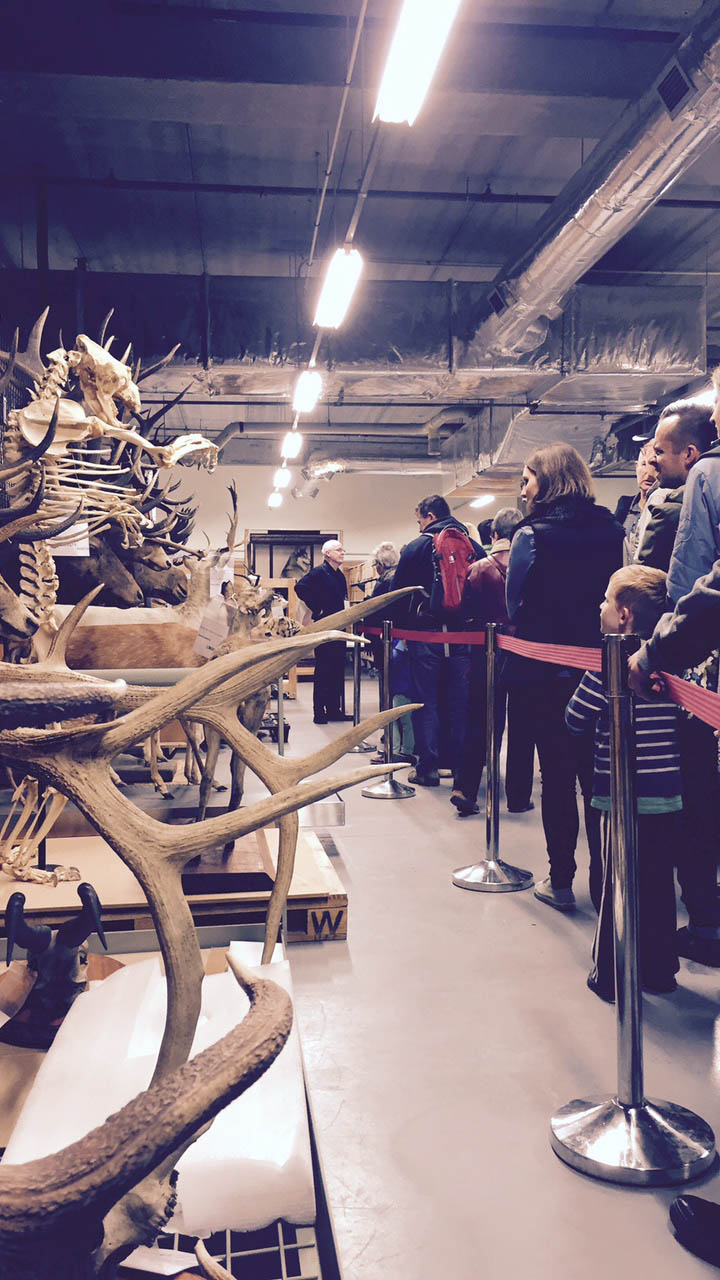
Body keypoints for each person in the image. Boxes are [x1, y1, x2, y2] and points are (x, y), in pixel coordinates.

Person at [506, 442, 624, 911]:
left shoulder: (531, 535)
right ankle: (604, 883)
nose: (523, 489)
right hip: (601, 672)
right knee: (599, 782)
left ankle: (560, 881)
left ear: (548, 480)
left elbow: (515, 607)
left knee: (556, 779)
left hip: (544, 673)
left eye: (527, 479)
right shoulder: (613, 531)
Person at [566, 566, 681, 1000]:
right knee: (658, 881)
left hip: (619, 796)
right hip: (666, 793)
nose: (599, 607)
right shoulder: (672, 660)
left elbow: (575, 717)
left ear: (624, 614)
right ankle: (660, 970)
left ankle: (610, 974)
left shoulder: (609, 661)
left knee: (616, 882)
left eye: (605, 600)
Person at [390, 494, 484, 786]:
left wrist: (402, 631)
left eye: (419, 520)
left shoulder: (416, 548)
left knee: (425, 701)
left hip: (425, 634)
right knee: (460, 703)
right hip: (463, 636)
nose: (418, 526)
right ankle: (459, 768)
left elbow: (397, 595)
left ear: (429, 516)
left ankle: (428, 768)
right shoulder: (474, 546)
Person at [451, 507, 534, 817]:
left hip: (484, 654)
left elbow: (464, 615)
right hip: (524, 654)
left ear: (494, 534)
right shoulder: (532, 568)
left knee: (480, 722)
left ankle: (465, 788)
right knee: (522, 726)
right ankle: (518, 796)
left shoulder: (476, 569)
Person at [635, 400, 715, 571]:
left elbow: (640, 582)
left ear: (688, 454)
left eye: (659, 452)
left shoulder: (669, 516)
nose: (651, 460)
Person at [295, 539, 350, 724]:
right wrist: (318, 608)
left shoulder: (339, 575)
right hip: (326, 626)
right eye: (339, 550)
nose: (342, 553)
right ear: (328, 554)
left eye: (342, 550)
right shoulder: (318, 573)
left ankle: (334, 710)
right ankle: (319, 712)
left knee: (337, 669)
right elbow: (300, 587)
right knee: (324, 669)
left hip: (340, 626)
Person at [613, 443, 657, 563]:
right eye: (644, 464)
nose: (649, 473)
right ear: (636, 467)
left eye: (654, 465)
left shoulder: (663, 507)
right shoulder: (625, 505)